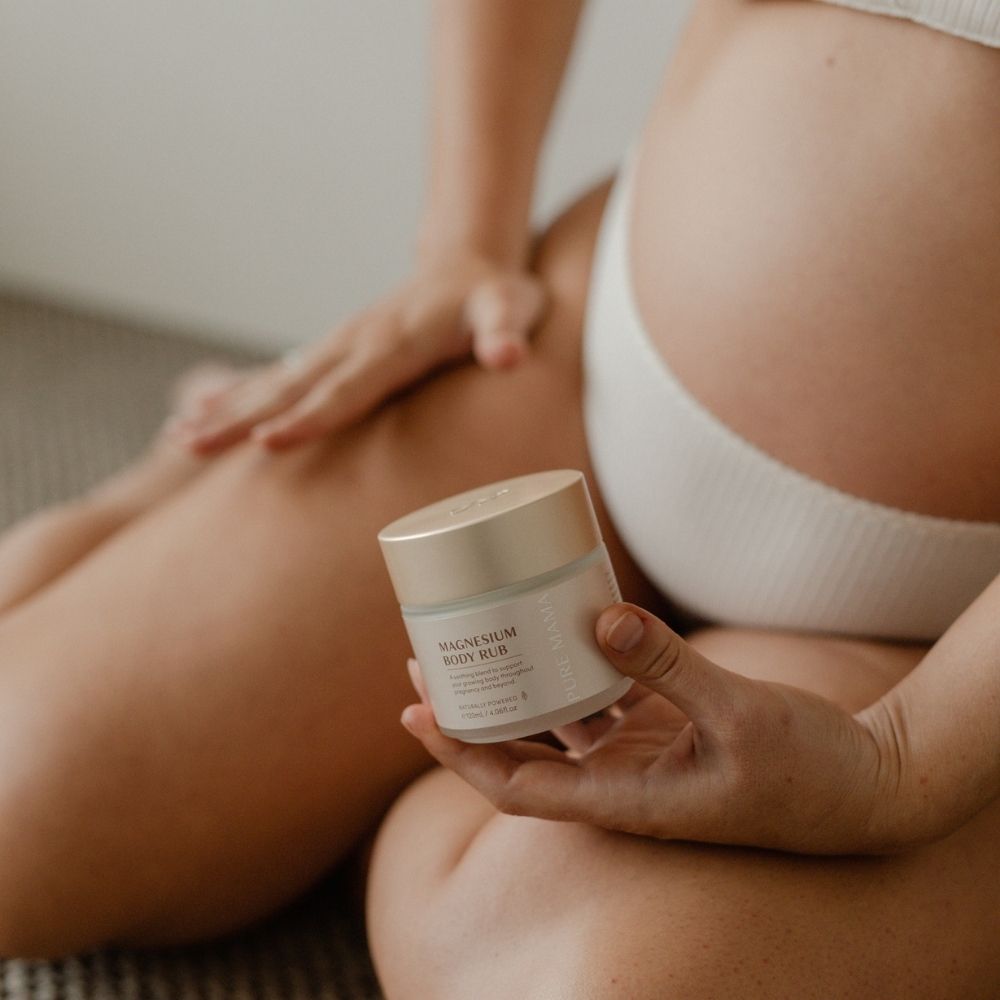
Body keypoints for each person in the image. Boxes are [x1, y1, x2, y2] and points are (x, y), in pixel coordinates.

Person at [0, 0, 998, 995]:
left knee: (546, 971)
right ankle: (180, 477)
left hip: (946, 640)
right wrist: (464, 243)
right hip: (598, 380)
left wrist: (898, 769)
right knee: (20, 819)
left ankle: (388, 817)